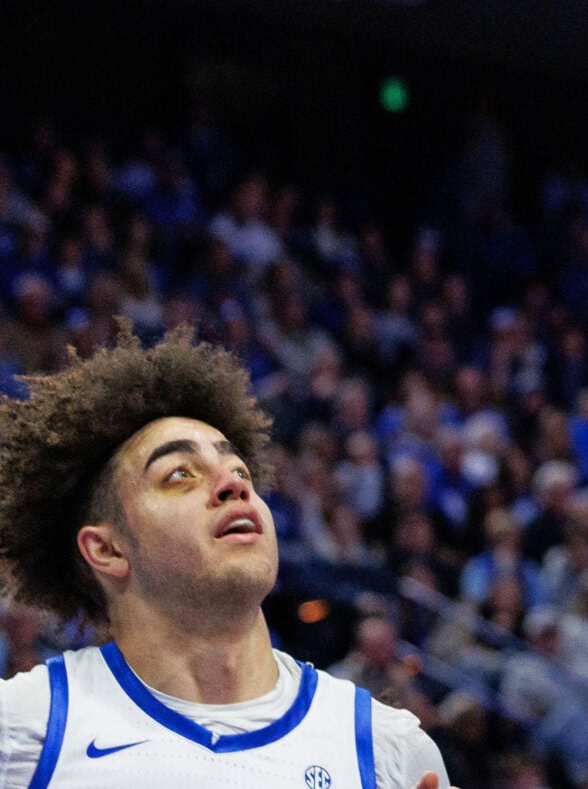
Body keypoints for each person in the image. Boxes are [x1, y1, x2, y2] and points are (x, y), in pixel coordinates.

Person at [0, 327, 447, 788]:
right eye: (179, 475)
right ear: (108, 549)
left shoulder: (389, 749)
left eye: (240, 470)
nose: (235, 485)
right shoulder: (21, 731)